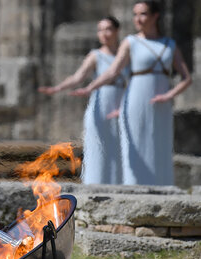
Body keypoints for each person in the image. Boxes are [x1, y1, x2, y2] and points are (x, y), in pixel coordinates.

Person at [71, 1, 192, 186]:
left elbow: (186, 78)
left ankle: (162, 189)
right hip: (135, 99)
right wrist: (90, 88)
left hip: (161, 102)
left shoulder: (169, 44)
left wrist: (169, 96)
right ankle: (133, 189)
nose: (138, 19)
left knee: (160, 145)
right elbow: (112, 71)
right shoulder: (130, 42)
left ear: (155, 16)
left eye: (143, 14)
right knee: (134, 146)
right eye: (135, 14)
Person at [38, 16, 129, 184]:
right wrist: (57, 88)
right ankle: (95, 184)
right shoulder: (96, 56)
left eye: (108, 29)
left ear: (117, 31)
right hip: (101, 107)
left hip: (121, 107)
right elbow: (77, 77)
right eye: (100, 30)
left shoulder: (125, 56)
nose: (104, 34)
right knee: (99, 148)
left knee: (120, 149)